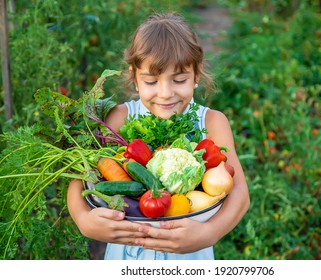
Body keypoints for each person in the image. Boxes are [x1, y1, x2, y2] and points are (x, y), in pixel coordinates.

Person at [67, 12, 249, 260]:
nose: (165, 93)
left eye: (179, 80)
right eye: (151, 81)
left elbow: (240, 195)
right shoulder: (118, 119)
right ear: (134, 77)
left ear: (197, 74)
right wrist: (83, 219)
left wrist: (208, 234)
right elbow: (78, 182)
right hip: (127, 256)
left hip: (189, 254)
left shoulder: (212, 122)